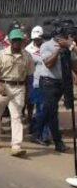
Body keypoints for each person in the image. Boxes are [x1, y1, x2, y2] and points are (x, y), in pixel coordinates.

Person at [0, 29, 34, 156]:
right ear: (10, 41)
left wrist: (28, 92)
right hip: (2, 86)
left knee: (17, 116)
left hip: (19, 87)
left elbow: (29, 75)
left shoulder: (27, 56)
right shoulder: (1, 55)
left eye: (20, 40)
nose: (17, 43)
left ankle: (16, 146)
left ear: (23, 41)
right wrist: (0, 87)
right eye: (15, 40)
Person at [32, 23, 76, 153]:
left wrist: (70, 49)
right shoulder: (46, 45)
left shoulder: (69, 46)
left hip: (63, 83)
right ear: (58, 36)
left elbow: (73, 64)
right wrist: (58, 50)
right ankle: (58, 142)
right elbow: (48, 63)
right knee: (52, 112)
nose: (68, 38)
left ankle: (35, 131)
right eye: (66, 36)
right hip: (48, 82)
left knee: (48, 110)